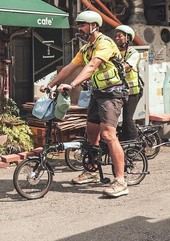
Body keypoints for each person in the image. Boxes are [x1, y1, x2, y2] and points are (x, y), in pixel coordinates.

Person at [42, 11, 130, 198]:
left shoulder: (105, 44)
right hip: (98, 93)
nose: (79, 29)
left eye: (82, 25)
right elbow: (69, 67)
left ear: (94, 26)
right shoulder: (86, 49)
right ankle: (92, 171)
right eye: (78, 25)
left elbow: (91, 67)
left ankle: (121, 181)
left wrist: (73, 84)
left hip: (113, 93)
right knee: (91, 134)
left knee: (108, 134)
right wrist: (50, 84)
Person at [113, 25, 142, 142]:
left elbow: (127, 65)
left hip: (133, 91)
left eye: (120, 36)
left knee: (127, 118)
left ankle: (135, 144)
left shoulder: (133, 53)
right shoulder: (115, 52)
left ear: (127, 38)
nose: (117, 38)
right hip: (119, 90)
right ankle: (124, 141)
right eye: (116, 36)